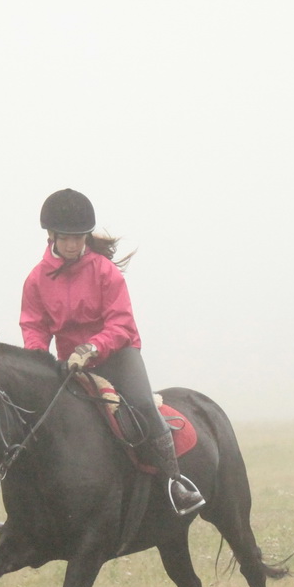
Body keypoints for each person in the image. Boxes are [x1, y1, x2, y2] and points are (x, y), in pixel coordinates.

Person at [20, 188, 205, 515]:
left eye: (79, 237)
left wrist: (91, 347)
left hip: (118, 355)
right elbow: (34, 326)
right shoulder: (36, 280)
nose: (73, 244)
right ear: (51, 236)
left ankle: (174, 482)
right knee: (35, 418)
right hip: (70, 365)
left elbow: (121, 323)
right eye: (67, 238)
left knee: (144, 406)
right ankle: (29, 509)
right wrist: (39, 360)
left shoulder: (105, 271)